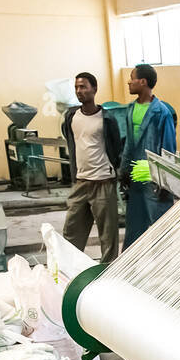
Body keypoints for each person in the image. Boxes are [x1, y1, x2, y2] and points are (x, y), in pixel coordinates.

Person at [61, 72, 123, 263]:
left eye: (84, 87)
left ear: (94, 89)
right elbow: (70, 139)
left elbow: (116, 146)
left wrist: (116, 173)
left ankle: (108, 272)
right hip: (81, 183)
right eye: (77, 87)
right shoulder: (71, 116)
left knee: (108, 235)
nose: (79, 91)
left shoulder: (107, 118)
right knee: (71, 232)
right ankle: (69, 269)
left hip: (103, 182)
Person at [119, 63, 177, 247]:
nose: (129, 82)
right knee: (134, 230)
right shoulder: (130, 110)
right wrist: (124, 170)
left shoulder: (162, 112)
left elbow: (168, 148)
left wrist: (165, 181)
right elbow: (128, 143)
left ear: (142, 82)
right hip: (136, 179)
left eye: (132, 78)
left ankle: (166, 266)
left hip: (154, 180)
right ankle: (131, 270)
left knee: (162, 228)